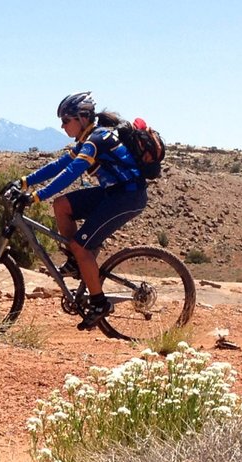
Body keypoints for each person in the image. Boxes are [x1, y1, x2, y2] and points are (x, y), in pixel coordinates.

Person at [11, 91, 148, 330]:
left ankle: (99, 303)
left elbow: (71, 172)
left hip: (128, 197)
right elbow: (60, 164)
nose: (62, 126)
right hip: (113, 192)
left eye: (66, 120)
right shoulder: (88, 139)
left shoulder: (97, 139)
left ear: (82, 117)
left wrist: (36, 196)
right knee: (62, 205)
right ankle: (77, 261)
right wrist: (24, 181)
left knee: (80, 245)